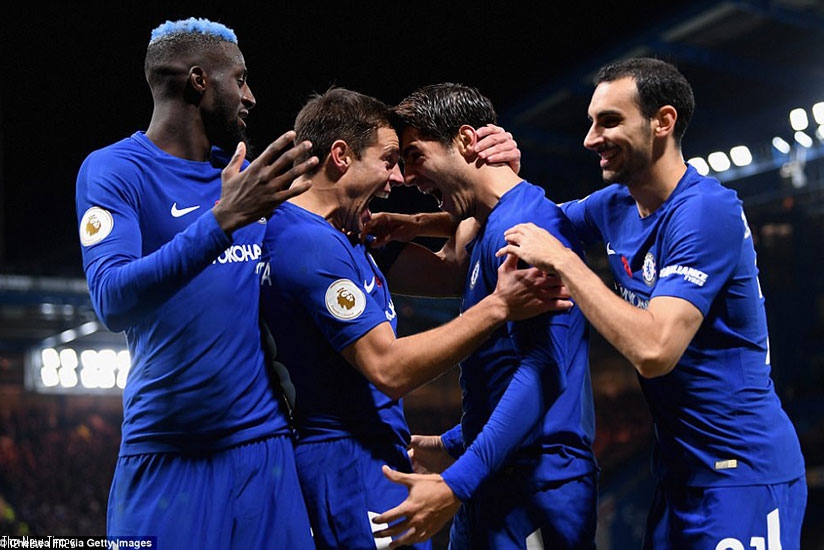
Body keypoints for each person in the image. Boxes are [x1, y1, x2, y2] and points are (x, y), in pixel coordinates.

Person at [496, 57, 807, 549]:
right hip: (677, 475)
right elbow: (523, 222)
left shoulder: (706, 210)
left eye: (610, 121)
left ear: (663, 122)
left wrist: (568, 265)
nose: (590, 138)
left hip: (740, 475)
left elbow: (656, 350)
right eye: (591, 122)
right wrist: (439, 210)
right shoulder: (615, 205)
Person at [258, 87, 558, 550]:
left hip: (371, 456)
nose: (398, 177)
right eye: (389, 159)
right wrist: (499, 305)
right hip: (346, 462)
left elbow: (458, 270)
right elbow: (389, 369)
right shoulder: (308, 244)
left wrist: (490, 176)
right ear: (341, 155)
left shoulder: (344, 234)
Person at [75, 17, 319, 548]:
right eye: (241, 79)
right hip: (167, 455)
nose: (251, 96)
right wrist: (221, 221)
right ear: (199, 81)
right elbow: (113, 300)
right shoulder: (115, 170)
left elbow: (337, 229)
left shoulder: (246, 178)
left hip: (265, 450)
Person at [371, 83, 599, 549]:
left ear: (467, 141)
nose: (408, 176)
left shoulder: (531, 228)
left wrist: (458, 480)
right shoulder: (488, 226)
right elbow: (500, 369)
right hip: (492, 479)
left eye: (415, 155)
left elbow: (543, 370)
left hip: (536, 489)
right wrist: (448, 446)